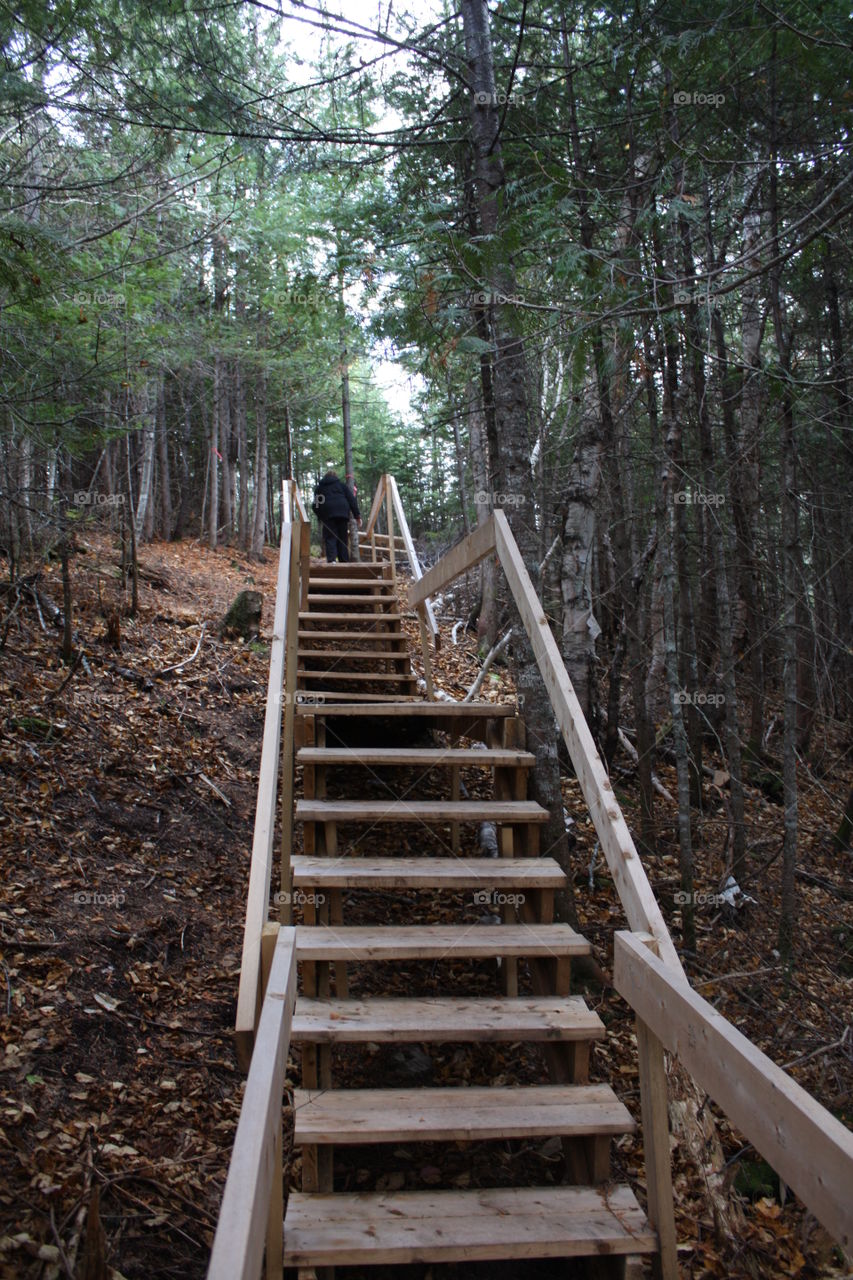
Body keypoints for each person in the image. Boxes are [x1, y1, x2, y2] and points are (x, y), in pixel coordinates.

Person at [311, 464, 361, 562]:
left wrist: (320, 516)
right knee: (343, 538)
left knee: (330, 537)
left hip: (328, 515)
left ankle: (332, 561)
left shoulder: (320, 488)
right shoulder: (341, 486)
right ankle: (344, 561)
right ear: (335, 477)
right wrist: (357, 515)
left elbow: (316, 505)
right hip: (342, 513)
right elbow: (352, 500)